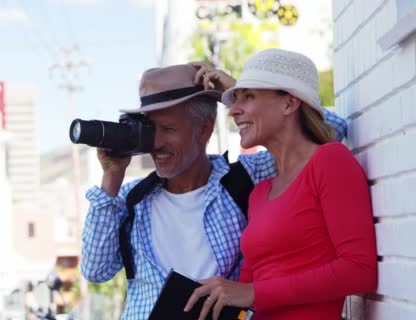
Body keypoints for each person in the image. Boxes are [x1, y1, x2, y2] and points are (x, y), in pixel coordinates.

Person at [80, 62, 348, 319]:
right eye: (151, 130)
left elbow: (331, 129)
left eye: (169, 129)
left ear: (204, 129)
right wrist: (111, 177)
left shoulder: (247, 177)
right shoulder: (130, 198)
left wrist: (234, 94)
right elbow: (95, 270)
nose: (157, 143)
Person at [184, 49, 377, 320]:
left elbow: (359, 270)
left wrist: (254, 292)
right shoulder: (260, 192)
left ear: (289, 104)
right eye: (235, 100)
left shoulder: (330, 161)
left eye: (248, 96)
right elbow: (245, 295)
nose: (233, 112)